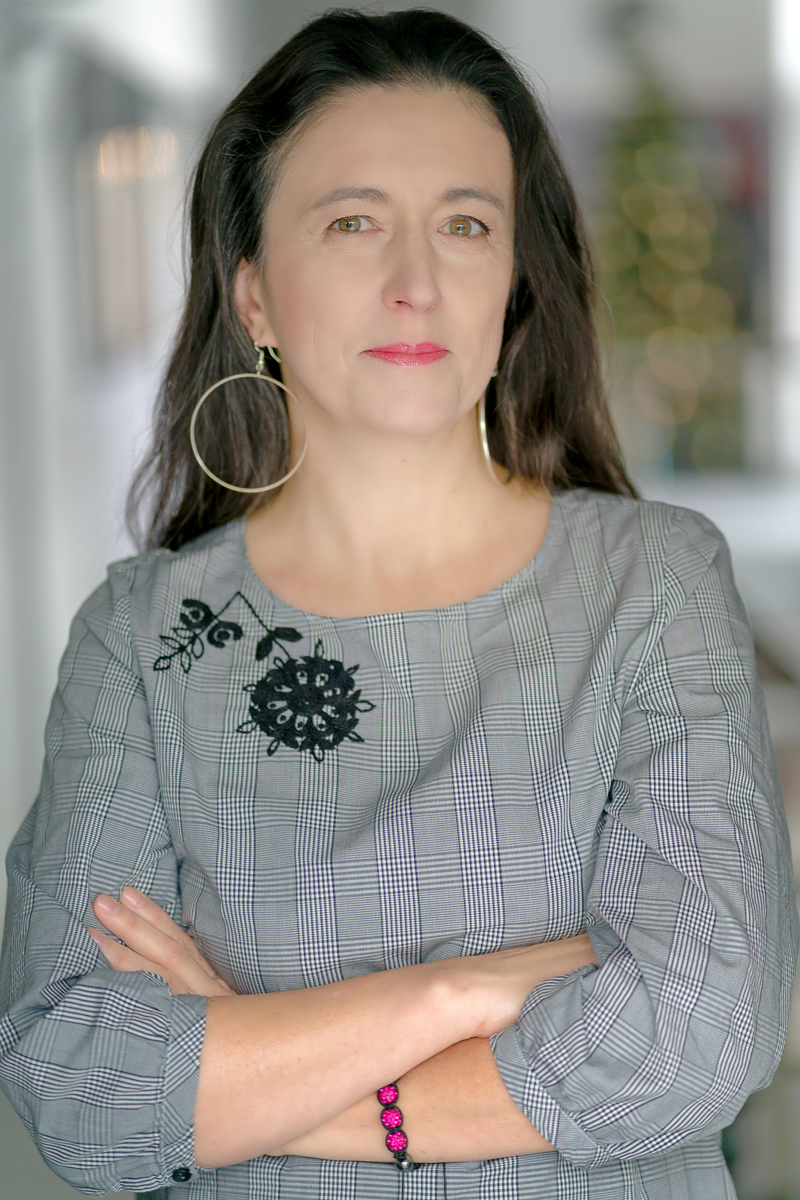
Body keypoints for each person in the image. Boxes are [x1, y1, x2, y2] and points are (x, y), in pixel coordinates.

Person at [0, 9, 796, 1199]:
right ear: (254, 296)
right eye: (353, 222)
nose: (415, 283)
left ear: (511, 286)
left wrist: (257, 1080)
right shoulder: (143, 639)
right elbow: (79, 1081)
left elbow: (695, 1036)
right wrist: (452, 995)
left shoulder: (652, 581)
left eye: (465, 225)